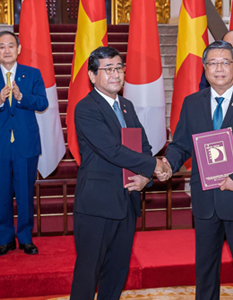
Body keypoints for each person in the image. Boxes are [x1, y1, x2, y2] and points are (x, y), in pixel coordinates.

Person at [163, 41, 233, 300]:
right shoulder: (192, 103)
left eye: (225, 62)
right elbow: (181, 144)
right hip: (205, 202)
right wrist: (168, 164)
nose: (219, 68)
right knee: (205, 271)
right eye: (213, 63)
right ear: (204, 68)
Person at [70, 46, 171, 300]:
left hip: (127, 201)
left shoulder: (126, 105)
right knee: (87, 274)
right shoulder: (86, 108)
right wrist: (154, 166)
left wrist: (146, 177)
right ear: (93, 76)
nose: (116, 74)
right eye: (108, 69)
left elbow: (143, 144)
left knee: (116, 274)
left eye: (119, 68)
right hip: (97, 205)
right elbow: (111, 150)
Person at [0, 31, 48, 256]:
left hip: (25, 144)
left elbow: (42, 102)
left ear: (19, 49)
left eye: (11, 46)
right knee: (3, 193)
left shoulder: (32, 74)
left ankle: (25, 238)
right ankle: (5, 239)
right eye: (2, 47)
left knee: (25, 193)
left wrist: (20, 97)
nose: (7, 50)